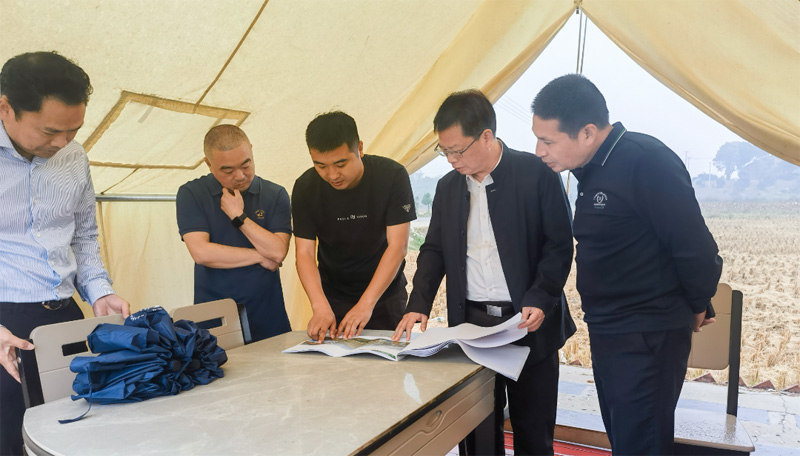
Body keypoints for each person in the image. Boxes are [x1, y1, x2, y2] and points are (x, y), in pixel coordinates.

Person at [530, 74, 722, 455]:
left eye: (547, 141)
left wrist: (699, 302)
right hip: (610, 331)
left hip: (645, 335)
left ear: (587, 132)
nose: (539, 151)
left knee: (641, 444)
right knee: (627, 440)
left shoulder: (645, 161)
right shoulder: (591, 169)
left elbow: (694, 247)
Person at [393, 90, 576, 456]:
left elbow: (558, 245)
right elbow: (433, 250)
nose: (451, 160)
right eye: (444, 151)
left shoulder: (535, 174)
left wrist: (541, 296)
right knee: (476, 434)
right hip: (473, 328)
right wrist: (418, 303)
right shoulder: (448, 187)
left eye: (458, 150)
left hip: (527, 324)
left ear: (487, 136)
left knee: (533, 433)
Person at [0, 51, 130, 455]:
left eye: (74, 130)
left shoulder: (74, 157)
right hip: (5, 324)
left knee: (77, 432)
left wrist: (100, 290)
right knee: (10, 439)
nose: (62, 143)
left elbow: (84, 235)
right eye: (50, 131)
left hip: (65, 315)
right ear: (5, 108)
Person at [292, 111, 416, 341]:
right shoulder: (305, 187)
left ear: (359, 148)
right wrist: (319, 306)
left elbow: (398, 246)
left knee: (389, 359)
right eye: (320, 165)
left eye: (341, 164)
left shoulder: (391, 176)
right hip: (332, 297)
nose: (332, 175)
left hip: (384, 295)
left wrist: (366, 304)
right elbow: (304, 253)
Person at [176, 125, 292, 342]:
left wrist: (238, 216)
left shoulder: (275, 194)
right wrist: (259, 255)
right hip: (214, 317)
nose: (240, 176)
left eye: (246, 165)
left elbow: (277, 252)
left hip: (268, 314)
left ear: (252, 151)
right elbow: (201, 253)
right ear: (208, 164)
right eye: (228, 171)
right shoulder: (191, 193)